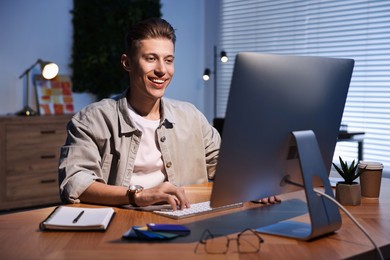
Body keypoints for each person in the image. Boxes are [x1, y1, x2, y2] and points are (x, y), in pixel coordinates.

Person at [59, 17, 278, 211]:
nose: (162, 70)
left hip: (186, 217)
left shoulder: (191, 116)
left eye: (169, 60)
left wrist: (254, 185)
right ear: (127, 63)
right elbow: (76, 182)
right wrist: (138, 196)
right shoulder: (92, 119)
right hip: (122, 220)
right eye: (151, 58)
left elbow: (223, 165)